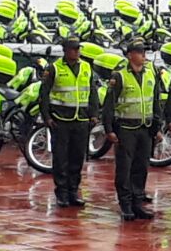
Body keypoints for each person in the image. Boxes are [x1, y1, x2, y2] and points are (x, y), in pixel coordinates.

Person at [102, 39, 159, 222]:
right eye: (140, 52)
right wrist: (109, 129)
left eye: (144, 52)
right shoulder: (119, 76)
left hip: (145, 128)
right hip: (126, 128)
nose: (144, 55)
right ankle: (125, 204)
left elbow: (155, 101)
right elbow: (109, 105)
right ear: (130, 55)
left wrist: (157, 127)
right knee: (124, 168)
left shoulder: (151, 73)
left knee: (141, 167)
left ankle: (137, 202)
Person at [38, 37, 98, 208]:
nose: (77, 52)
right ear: (65, 50)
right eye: (73, 49)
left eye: (78, 49)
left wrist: (94, 114)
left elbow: (92, 92)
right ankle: (62, 193)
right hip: (61, 120)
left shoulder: (86, 67)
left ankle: (74, 191)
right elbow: (44, 95)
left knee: (78, 158)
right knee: (61, 158)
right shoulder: (54, 69)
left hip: (81, 120)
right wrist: (47, 117)